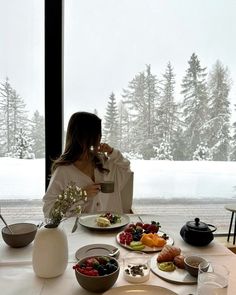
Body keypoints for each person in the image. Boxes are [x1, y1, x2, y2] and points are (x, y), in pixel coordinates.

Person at [43, 111, 132, 218]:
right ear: (85, 136)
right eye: (97, 134)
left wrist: (112, 152)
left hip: (112, 229)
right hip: (81, 232)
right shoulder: (63, 171)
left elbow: (126, 168)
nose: (99, 138)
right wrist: (80, 195)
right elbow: (49, 212)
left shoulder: (104, 162)